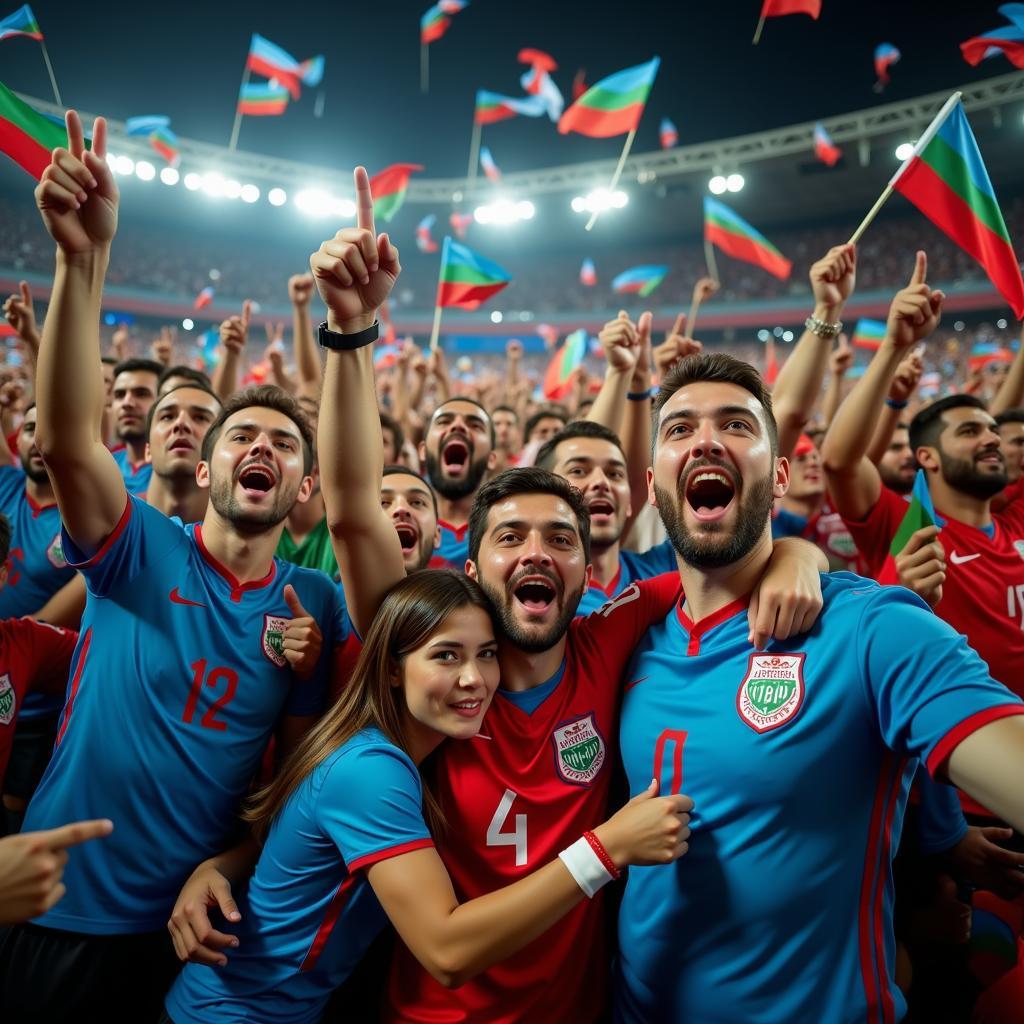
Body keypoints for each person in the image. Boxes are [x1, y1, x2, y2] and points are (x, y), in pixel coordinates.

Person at [297, 168, 825, 1024]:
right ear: (470, 565)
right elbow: (356, 513)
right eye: (509, 536)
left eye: (562, 539)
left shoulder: (613, 631)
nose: (537, 552)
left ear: (594, 571)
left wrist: (798, 551)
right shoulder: (423, 659)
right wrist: (352, 330)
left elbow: (729, 538)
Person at [0, 110, 347, 1024]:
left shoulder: (314, 601)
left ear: (304, 481)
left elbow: (294, 783)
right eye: (243, 436)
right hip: (56, 906)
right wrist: (82, 264)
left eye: (283, 441)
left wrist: (229, 865)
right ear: (205, 465)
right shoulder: (140, 548)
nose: (260, 448)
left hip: (193, 934)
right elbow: (73, 444)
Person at [613, 349, 1024, 1023]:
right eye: (679, 428)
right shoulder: (628, 632)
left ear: (777, 478)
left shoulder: (870, 628)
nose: (706, 439)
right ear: (653, 478)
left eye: (737, 425)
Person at [162, 570, 689, 1024]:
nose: (473, 678)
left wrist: (776, 553)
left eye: (486, 655)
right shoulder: (372, 771)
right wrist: (605, 848)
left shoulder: (399, 750)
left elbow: (289, 842)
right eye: (445, 656)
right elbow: (447, 950)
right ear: (392, 668)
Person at [0, 403, 78, 831]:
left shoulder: (85, 514)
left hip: (38, 706)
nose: (37, 439)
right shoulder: (5, 483)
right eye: (28, 428)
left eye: (47, 428)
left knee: (14, 815)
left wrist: (18, 647)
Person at [536, 420, 676, 615]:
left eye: (614, 473)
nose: (601, 482)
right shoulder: (532, 593)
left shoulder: (668, 566)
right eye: (578, 471)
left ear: (629, 503)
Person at [420, 396, 497, 569]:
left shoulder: (507, 530)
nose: (458, 426)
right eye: (444, 421)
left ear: (491, 459)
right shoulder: (395, 526)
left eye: (475, 425)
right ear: (423, 451)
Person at [109, 356, 162, 492]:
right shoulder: (103, 466)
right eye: (120, 395)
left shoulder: (177, 472)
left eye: (141, 394)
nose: (127, 403)